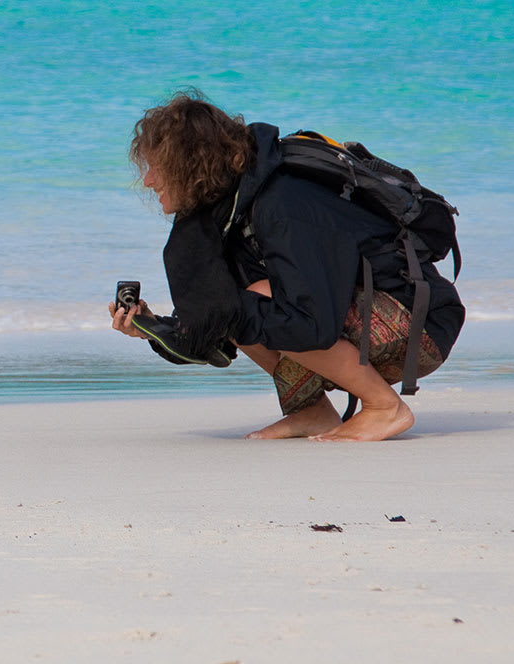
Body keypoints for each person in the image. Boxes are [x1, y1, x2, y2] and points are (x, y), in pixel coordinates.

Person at [109, 91, 464, 441]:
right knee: (233, 299)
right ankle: (311, 411)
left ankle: (384, 408)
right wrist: (153, 328)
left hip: (420, 325)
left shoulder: (283, 202)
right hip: (355, 313)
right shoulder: (227, 210)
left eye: (157, 167)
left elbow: (310, 325)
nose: (148, 180)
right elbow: (218, 323)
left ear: (190, 166)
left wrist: (230, 311)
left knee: (252, 300)